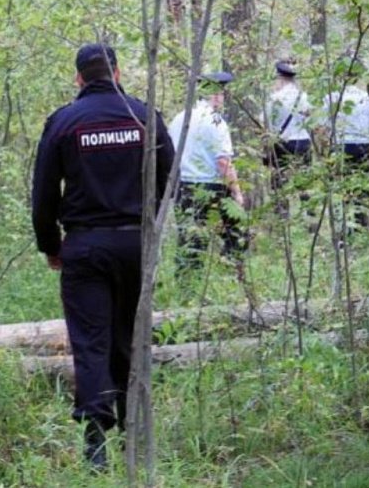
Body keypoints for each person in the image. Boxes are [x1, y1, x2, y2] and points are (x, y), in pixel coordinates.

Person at [31, 43, 175, 470]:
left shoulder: (64, 123)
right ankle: (134, 431)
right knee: (131, 337)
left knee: (91, 343)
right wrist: (151, 232)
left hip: (86, 247)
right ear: (117, 71)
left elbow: (43, 194)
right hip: (135, 245)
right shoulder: (143, 117)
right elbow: (171, 182)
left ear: (78, 77)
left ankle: (95, 446)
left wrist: (50, 245)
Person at [169, 71, 247, 272]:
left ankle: (186, 282)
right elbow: (223, 162)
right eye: (221, 93)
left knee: (190, 238)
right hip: (211, 186)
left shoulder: (179, 118)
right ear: (216, 95)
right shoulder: (216, 122)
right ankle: (231, 272)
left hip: (183, 185)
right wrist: (237, 193)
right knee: (236, 233)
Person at [320, 60, 369, 230]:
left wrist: (323, 149)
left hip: (340, 149)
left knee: (342, 190)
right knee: (363, 190)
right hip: (363, 149)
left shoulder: (331, 98)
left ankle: (344, 230)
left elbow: (321, 129)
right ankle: (361, 226)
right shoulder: (366, 98)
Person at [263, 60, 313, 212]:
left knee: (280, 182)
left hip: (281, 143)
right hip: (303, 142)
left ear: (280, 78)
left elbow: (266, 124)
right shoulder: (304, 97)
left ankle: (282, 217)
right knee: (304, 182)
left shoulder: (274, 99)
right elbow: (311, 120)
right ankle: (309, 216)